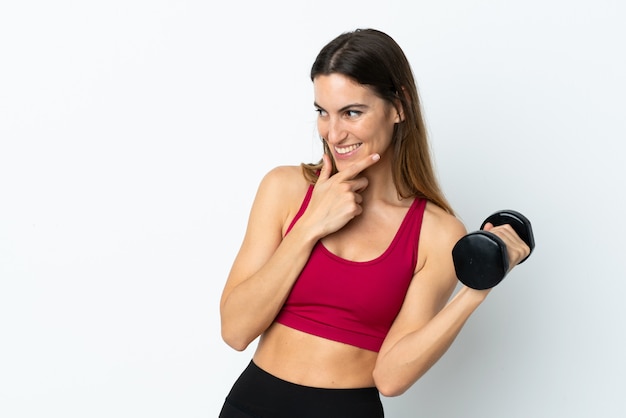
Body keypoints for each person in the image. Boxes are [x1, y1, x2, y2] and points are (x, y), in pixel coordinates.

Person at [218, 28, 530, 417]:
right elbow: (235, 330)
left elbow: (391, 378)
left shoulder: (436, 232)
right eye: (322, 112)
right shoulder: (285, 189)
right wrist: (311, 225)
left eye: (352, 112)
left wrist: (477, 288)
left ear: (399, 106)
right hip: (252, 405)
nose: (334, 133)